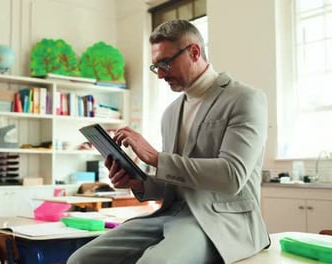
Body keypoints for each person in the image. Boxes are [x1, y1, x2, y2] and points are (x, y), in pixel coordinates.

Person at [67, 19, 270, 264]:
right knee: (81, 260)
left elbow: (232, 177)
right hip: (170, 214)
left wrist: (155, 158)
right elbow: (178, 183)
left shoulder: (245, 99)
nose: (161, 74)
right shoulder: (171, 112)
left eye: (165, 63)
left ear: (194, 52)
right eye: (156, 67)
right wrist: (140, 183)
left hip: (222, 221)